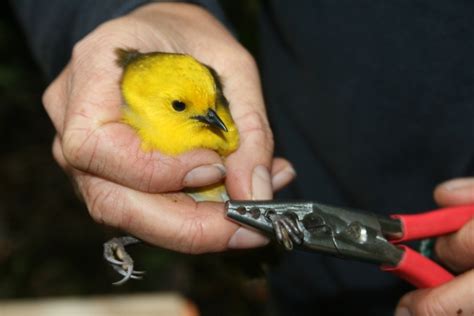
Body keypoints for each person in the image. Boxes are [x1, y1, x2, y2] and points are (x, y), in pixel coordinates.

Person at [12, 1, 474, 315]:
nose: (215, 119)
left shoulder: (210, 119)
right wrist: (136, 6)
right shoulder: (126, 114)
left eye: (213, 101)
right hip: (318, 275)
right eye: (184, 107)